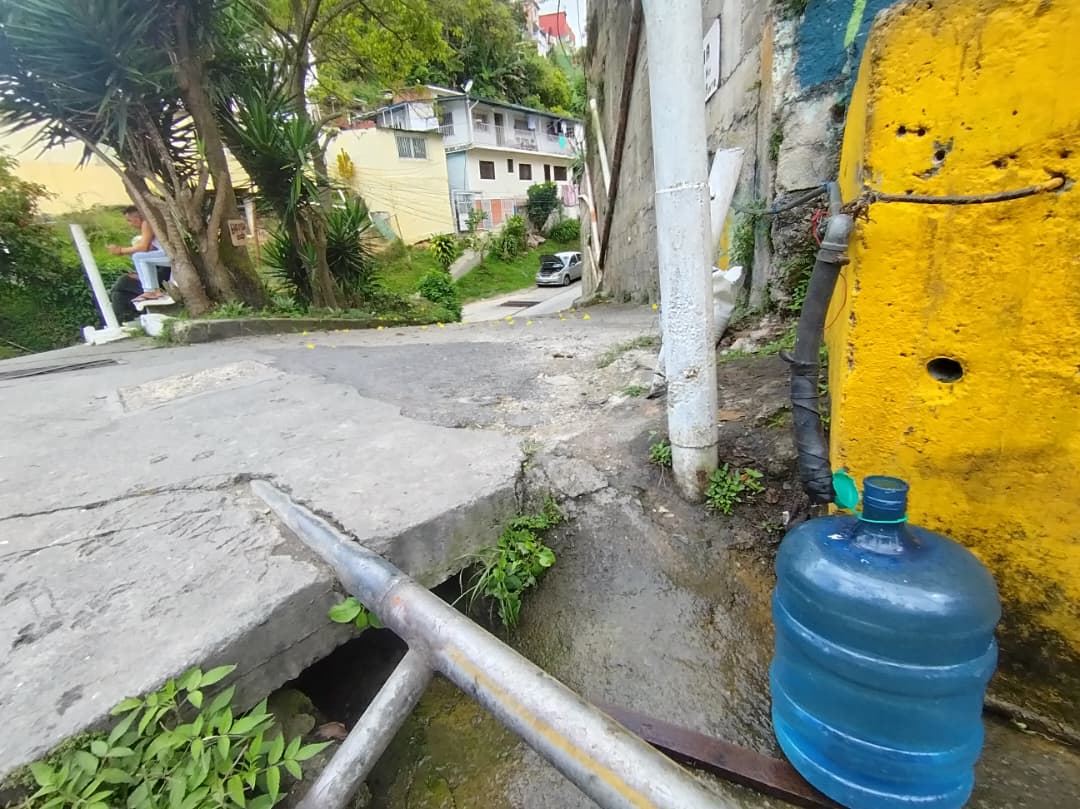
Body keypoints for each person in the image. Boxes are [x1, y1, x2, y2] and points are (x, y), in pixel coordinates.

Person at [106, 205, 173, 311]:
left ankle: (151, 291)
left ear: (137, 219)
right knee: (141, 257)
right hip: (169, 255)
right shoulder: (152, 222)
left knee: (138, 257)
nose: (129, 224)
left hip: (172, 255)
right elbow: (149, 247)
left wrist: (121, 250)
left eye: (129, 220)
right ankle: (153, 290)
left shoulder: (147, 223)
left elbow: (143, 247)